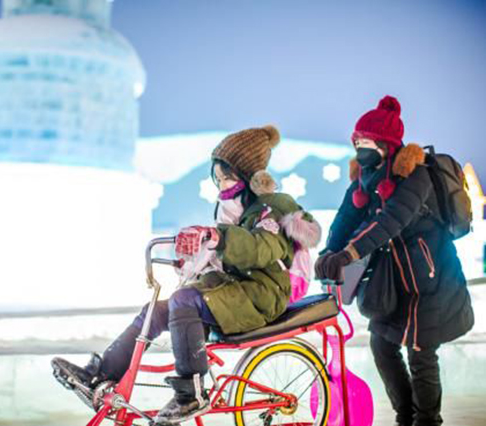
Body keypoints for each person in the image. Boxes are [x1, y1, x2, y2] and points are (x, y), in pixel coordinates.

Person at [52, 125, 322, 424]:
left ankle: (191, 393)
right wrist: (192, 260)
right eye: (218, 179)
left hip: (263, 294)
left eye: (228, 177)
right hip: (236, 290)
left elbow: (259, 248)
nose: (221, 185)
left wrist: (218, 237)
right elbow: (221, 254)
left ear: (250, 177)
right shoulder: (232, 207)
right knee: (155, 311)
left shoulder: (274, 207)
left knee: (184, 300)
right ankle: (99, 376)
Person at [315, 96, 474, 426]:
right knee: (382, 346)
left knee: (421, 354)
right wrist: (330, 251)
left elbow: (390, 221)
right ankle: (405, 416)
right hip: (395, 281)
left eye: (366, 142)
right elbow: (346, 218)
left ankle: (427, 421)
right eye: (357, 142)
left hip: (432, 278)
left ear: (386, 145)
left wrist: (349, 254)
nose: (360, 148)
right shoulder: (365, 178)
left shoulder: (416, 176)